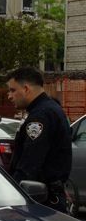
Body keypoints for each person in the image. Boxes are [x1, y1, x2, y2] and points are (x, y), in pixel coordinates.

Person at [6, 67, 72, 213]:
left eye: (12, 90)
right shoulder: (51, 109)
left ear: (26, 88)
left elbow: (30, 162)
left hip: (40, 201)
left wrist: (12, 194)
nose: (9, 96)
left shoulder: (40, 115)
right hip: (47, 197)